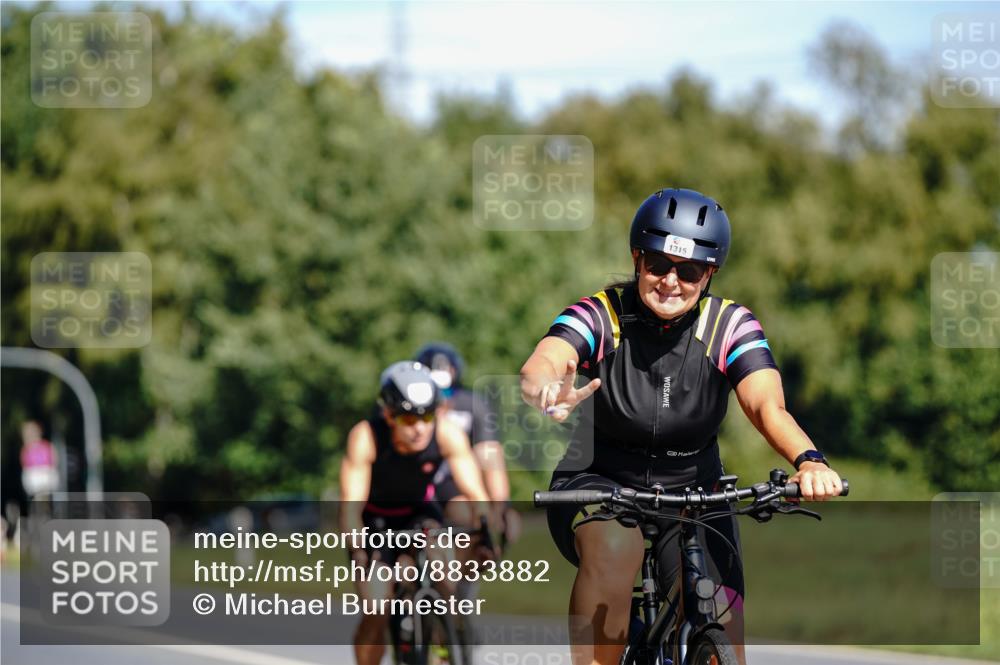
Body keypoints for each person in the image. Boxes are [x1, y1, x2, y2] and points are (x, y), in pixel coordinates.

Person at [520, 188, 844, 665]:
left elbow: (765, 406)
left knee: (722, 620)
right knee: (613, 548)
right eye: (657, 265)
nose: (671, 281)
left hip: (696, 489)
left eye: (689, 271)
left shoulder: (729, 325)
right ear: (637, 259)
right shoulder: (601, 314)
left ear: (709, 273)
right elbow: (543, 363)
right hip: (598, 481)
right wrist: (546, 389)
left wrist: (809, 460)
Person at [340, 361, 492, 665]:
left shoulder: (447, 434)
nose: (420, 428)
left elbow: (477, 494)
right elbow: (350, 507)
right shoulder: (366, 437)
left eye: (428, 416)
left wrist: (486, 531)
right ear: (388, 414)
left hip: (419, 513)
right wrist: (358, 551)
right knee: (376, 610)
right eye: (409, 418)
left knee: (445, 572)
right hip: (374, 523)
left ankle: (445, 637)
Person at [415, 342, 521, 545]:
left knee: (465, 513)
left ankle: (464, 570)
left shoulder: (473, 404)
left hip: (454, 481)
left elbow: (490, 456)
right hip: (412, 479)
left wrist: (500, 507)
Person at [20, 421, 58, 500]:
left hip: (46, 473)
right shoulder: (26, 449)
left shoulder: (47, 446)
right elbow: (24, 464)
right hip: (33, 475)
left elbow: (54, 458)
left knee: (44, 496)